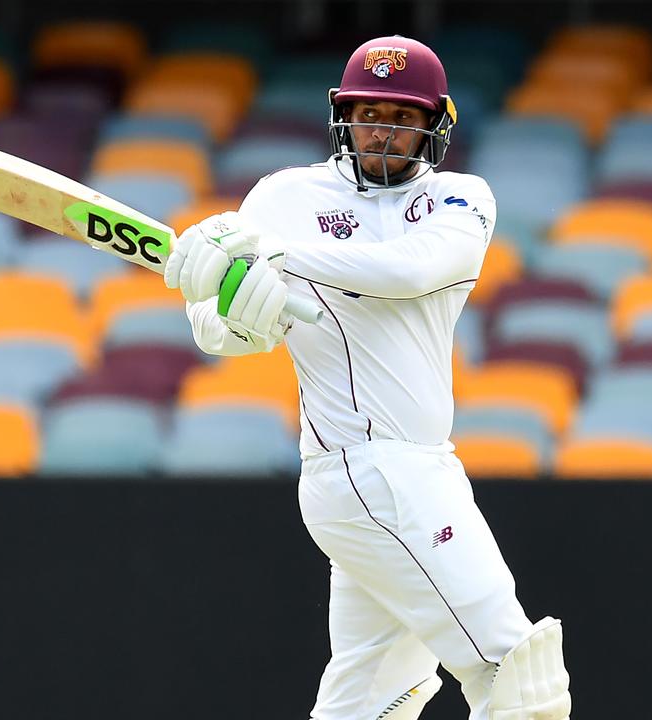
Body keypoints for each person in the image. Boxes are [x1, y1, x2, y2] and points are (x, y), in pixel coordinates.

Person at [164, 35, 571, 720]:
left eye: (402, 117)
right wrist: (241, 314)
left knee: (372, 704)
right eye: (370, 112)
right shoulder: (284, 197)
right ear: (342, 114)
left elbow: (411, 272)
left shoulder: (460, 199)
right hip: (368, 472)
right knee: (518, 679)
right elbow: (215, 329)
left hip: (413, 471)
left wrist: (279, 258)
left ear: (436, 123)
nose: (382, 131)